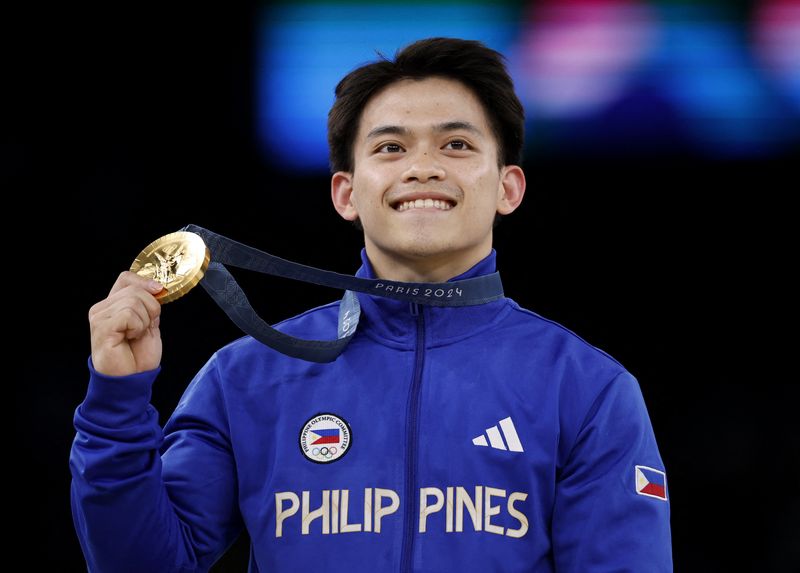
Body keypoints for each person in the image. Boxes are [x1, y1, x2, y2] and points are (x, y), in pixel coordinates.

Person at [70, 37, 672, 572]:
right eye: (389, 148)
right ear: (346, 193)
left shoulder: (588, 389)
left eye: (457, 143)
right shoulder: (244, 379)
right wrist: (117, 405)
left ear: (508, 188)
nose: (423, 168)